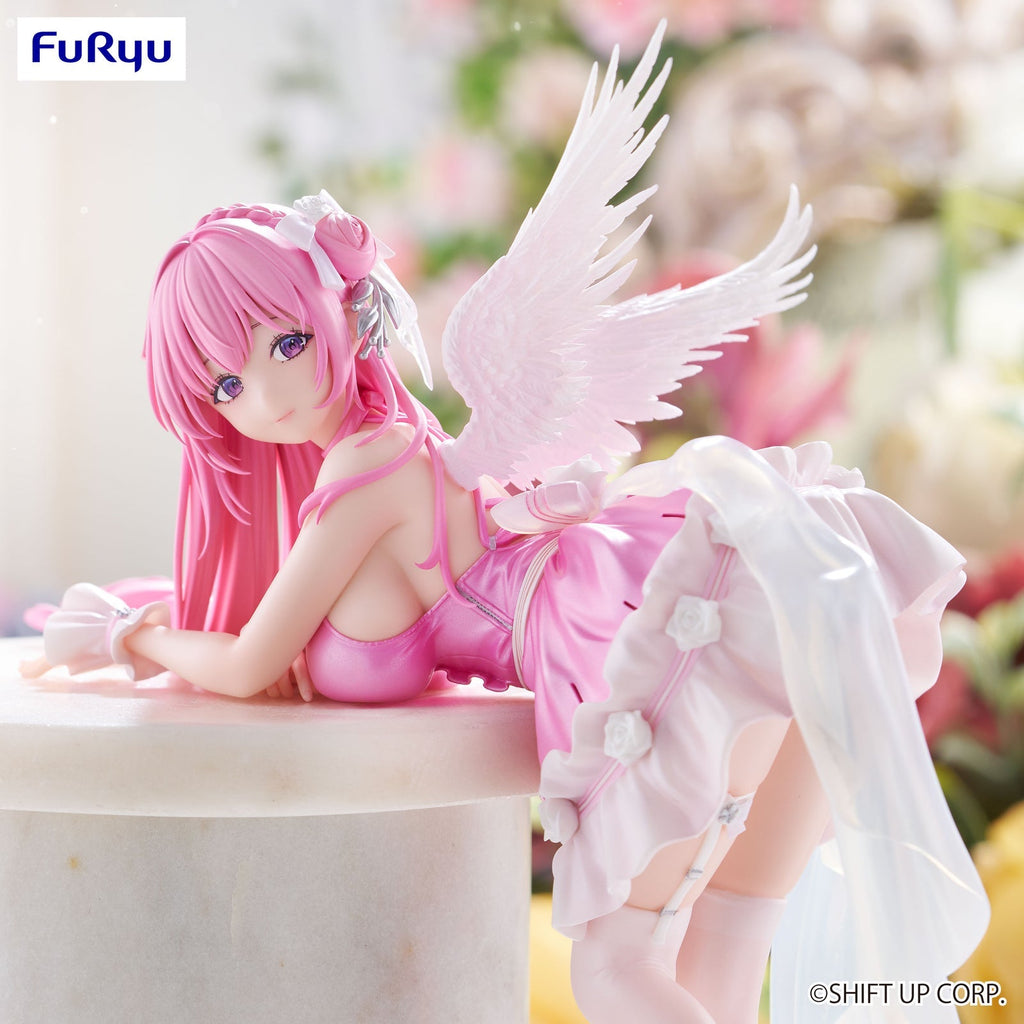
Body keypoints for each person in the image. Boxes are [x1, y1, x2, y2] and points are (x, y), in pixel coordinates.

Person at [24, 24, 987, 1024]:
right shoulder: (406, 449)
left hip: (630, 634)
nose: (266, 395)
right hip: (677, 594)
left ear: (340, 307)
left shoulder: (365, 471)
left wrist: (130, 635)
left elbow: (241, 664)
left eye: (286, 342)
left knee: (622, 973)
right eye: (226, 385)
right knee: (724, 941)